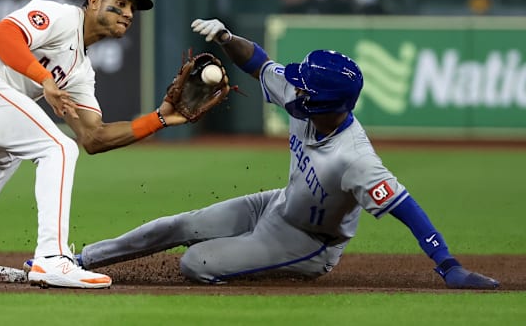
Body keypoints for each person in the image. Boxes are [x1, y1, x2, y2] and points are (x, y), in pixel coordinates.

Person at [72, 18, 500, 290]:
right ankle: (81, 259)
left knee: (196, 263)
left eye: (305, 88)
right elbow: (258, 62)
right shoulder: (303, 95)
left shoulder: (355, 160)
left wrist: (448, 264)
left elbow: (407, 208)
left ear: (330, 105)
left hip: (309, 241)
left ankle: (262, 263)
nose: (295, 88)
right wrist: (225, 36)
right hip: (274, 203)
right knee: (179, 225)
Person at [0, 0, 188, 289]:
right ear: (94, 2)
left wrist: (161, 118)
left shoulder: (81, 72)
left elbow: (94, 137)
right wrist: (44, 79)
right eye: (121, 2)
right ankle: (51, 259)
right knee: (57, 148)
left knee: (5, 156)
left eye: (132, 9)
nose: (128, 13)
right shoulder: (61, 16)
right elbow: (2, 36)